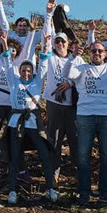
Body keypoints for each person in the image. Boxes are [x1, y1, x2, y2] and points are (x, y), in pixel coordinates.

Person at [63, 42, 107, 206]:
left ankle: (104, 192)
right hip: (85, 116)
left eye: (100, 51)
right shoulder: (81, 68)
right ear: (89, 53)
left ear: (105, 54)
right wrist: (73, 56)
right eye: (94, 51)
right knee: (83, 156)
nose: (97, 53)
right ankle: (84, 192)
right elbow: (67, 73)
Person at [3, 33, 57, 204]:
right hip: (16, 122)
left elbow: (43, 64)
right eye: (23, 70)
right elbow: (7, 62)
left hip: (33, 121)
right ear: (20, 72)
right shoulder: (14, 81)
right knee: (14, 156)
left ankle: (50, 188)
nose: (26, 73)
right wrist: (4, 43)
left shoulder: (37, 81)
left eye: (29, 71)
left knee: (44, 153)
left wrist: (47, 45)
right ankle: (12, 191)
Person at [0, 0, 37, 180]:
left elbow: (28, 47)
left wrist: (33, 31)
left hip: (14, 104)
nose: (11, 52)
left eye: (14, 50)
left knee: (14, 137)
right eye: (8, 48)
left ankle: (19, 169)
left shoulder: (19, 63)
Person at [39, 30, 77, 182]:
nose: (60, 44)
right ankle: (53, 173)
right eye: (57, 42)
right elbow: (45, 47)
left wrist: (71, 83)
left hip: (72, 105)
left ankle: (77, 172)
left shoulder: (76, 59)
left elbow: (82, 76)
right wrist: (49, 14)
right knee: (54, 139)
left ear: (68, 44)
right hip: (54, 104)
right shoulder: (51, 58)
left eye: (63, 42)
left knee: (75, 139)